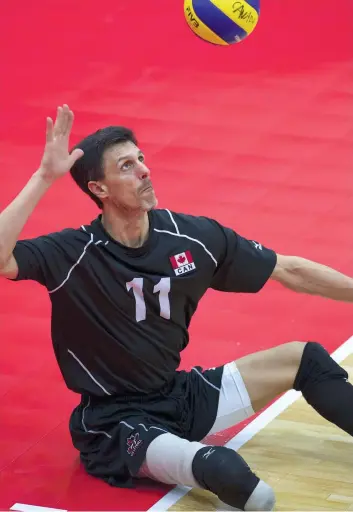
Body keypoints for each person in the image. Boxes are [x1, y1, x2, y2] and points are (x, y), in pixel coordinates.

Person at [0, 105, 352, 511]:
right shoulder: (72, 253)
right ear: (100, 189)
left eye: (142, 159)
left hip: (179, 395)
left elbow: (289, 270)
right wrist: (45, 176)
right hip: (116, 423)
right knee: (229, 473)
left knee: (304, 359)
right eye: (127, 166)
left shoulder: (190, 237)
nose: (144, 170)